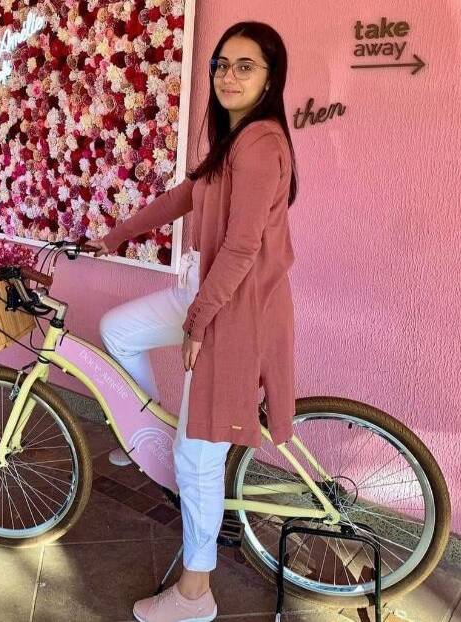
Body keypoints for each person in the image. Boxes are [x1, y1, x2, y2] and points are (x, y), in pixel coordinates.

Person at [89, 21, 298, 622]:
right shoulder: (232, 141)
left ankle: (195, 593)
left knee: (197, 460)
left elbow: (242, 247)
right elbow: (183, 197)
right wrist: (116, 234)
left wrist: (199, 320)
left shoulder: (261, 144)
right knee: (119, 330)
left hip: (235, 311)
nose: (228, 76)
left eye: (245, 66)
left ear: (270, 79)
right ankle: (150, 431)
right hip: (208, 294)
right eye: (221, 65)